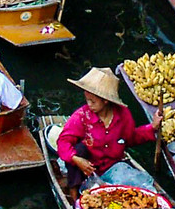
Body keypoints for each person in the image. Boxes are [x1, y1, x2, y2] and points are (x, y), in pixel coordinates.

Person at [56, 67, 160, 198]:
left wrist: (152, 127)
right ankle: (74, 194)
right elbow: (63, 142)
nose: (89, 105)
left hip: (112, 168)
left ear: (105, 101)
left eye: (93, 101)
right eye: (87, 100)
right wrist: (76, 159)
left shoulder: (123, 115)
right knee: (79, 149)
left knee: (138, 191)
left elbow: (131, 137)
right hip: (87, 170)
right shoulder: (82, 116)